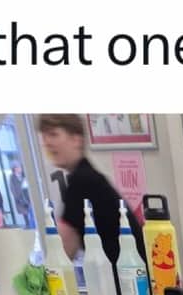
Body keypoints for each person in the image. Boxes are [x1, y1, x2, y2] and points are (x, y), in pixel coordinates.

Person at [36, 114, 145, 268]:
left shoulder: (82, 181)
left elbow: (64, 249)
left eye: (53, 134)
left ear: (76, 139)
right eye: (44, 136)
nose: (47, 143)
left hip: (127, 278)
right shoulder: (88, 176)